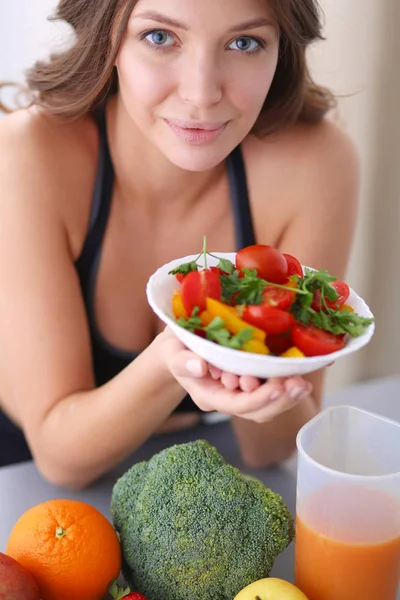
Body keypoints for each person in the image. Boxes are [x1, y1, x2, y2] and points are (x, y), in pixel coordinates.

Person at [0, 0, 358, 489]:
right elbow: (61, 458)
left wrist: (260, 371)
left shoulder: (317, 164)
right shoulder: (29, 153)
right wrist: (182, 354)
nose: (201, 93)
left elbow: (271, 448)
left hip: (187, 469)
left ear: (282, 50)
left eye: (244, 42)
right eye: (160, 37)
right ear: (109, 37)